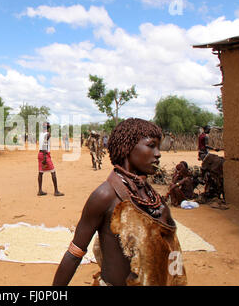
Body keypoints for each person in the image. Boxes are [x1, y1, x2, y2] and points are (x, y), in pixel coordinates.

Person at [52, 118, 187, 286]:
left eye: (158, 147)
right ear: (127, 148)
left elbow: (172, 251)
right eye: (151, 145)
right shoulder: (105, 196)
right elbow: (74, 254)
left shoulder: (151, 196)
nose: (158, 153)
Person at [37, 122, 64, 197]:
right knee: (53, 172)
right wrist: (45, 156)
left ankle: (40, 190)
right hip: (45, 154)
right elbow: (45, 143)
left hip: (40, 154)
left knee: (40, 172)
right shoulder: (48, 134)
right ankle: (56, 191)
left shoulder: (40, 134)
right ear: (48, 127)